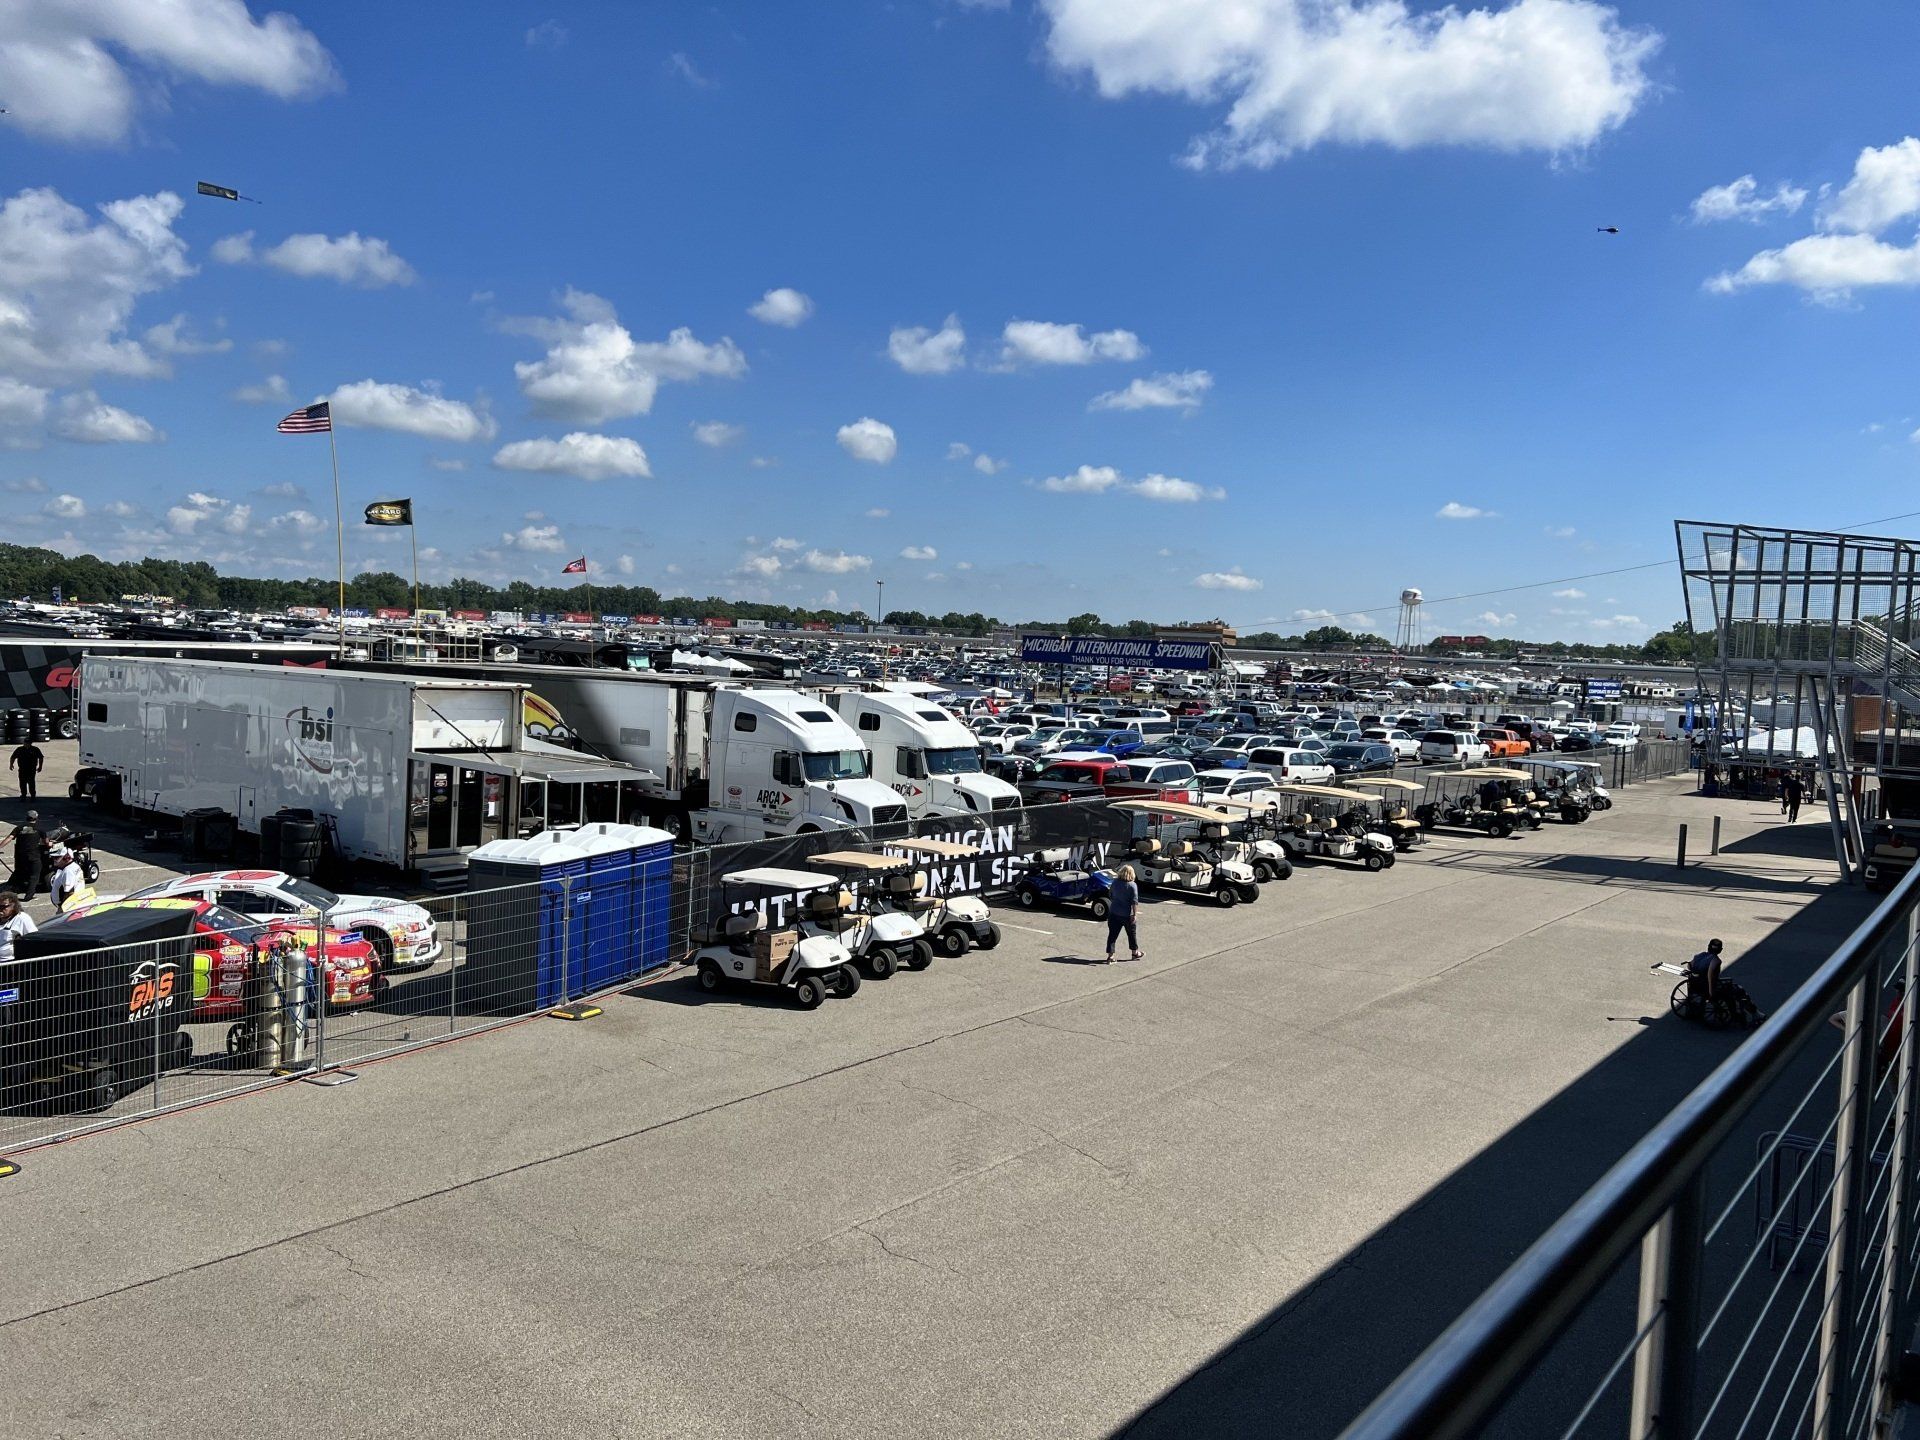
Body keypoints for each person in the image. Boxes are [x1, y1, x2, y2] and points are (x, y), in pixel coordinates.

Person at [1105, 864, 1141, 963]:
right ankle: (1135, 953)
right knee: (1131, 934)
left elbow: (1110, 895)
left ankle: (1110, 956)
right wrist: (1135, 914)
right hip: (1126, 914)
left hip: (1114, 912)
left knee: (1112, 935)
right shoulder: (1132, 885)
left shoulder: (1115, 882)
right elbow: (1134, 902)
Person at [5, 809, 42, 897]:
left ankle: (10, 888)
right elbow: (47, 842)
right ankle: (28, 896)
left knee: (18, 872)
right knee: (34, 875)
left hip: (20, 856)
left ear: (27, 818)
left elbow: (9, 838)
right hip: (33, 856)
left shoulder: (19, 828)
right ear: (36, 818)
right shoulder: (39, 828)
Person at [48, 845, 91, 913]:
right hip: (75, 904)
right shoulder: (72, 866)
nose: (54, 860)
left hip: (69, 907)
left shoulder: (68, 871)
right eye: (52, 857)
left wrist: (62, 909)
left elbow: (69, 892)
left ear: (66, 858)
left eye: (56, 858)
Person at [0, 890, 35, 965]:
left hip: (8, 963)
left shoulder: (22, 918)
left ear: (14, 906)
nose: (0, 910)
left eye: (3, 907)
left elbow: (33, 938)